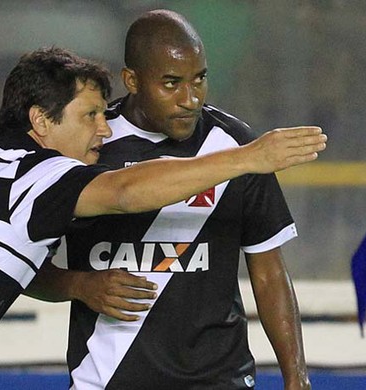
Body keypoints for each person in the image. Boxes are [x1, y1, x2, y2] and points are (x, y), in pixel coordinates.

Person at [0, 46, 325, 389]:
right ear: (39, 121)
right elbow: (124, 192)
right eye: (90, 116)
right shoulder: (38, 177)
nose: (104, 130)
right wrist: (249, 157)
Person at [28, 10, 313, 389]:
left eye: (200, 80)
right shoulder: (88, 144)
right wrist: (80, 286)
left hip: (217, 379)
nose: (190, 98)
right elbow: (22, 265)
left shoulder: (237, 146)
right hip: (108, 379)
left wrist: (297, 378)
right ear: (132, 80)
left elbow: (269, 270)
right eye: (171, 83)